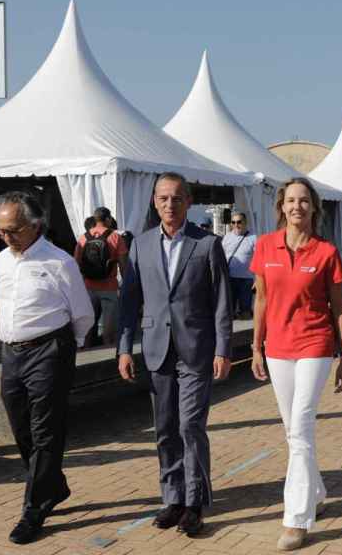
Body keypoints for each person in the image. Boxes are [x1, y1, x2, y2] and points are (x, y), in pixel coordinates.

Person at [117, 172, 232, 538]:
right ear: (154, 202)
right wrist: (124, 348)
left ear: (188, 202)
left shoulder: (208, 244)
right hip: (156, 349)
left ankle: (194, 503)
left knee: (190, 426)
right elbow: (129, 302)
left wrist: (223, 349)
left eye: (177, 198)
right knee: (165, 428)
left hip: (196, 349)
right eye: (163, 198)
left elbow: (222, 302)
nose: (170, 204)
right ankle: (173, 497)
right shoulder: (140, 245)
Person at [249, 178, 342, 550]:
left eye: (304, 200)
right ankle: (316, 493)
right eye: (290, 200)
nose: (297, 207)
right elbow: (261, 300)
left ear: (314, 207)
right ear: (282, 206)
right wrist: (256, 347)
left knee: (302, 426)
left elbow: (339, 307)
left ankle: (296, 519)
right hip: (277, 348)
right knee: (293, 430)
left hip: (315, 345)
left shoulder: (326, 252)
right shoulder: (265, 246)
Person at [0, 191, 94, 544]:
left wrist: (66, 349)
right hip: (12, 352)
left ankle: (34, 509)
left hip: (49, 350)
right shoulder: (1, 260)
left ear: (36, 225)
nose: (7, 237)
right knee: (21, 427)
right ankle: (54, 485)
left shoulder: (59, 262)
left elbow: (82, 313)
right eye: (0, 230)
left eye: (13, 230)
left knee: (46, 431)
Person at [74, 207, 128, 346]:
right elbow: (123, 265)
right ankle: (108, 352)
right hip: (109, 287)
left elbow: (76, 264)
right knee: (109, 329)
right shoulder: (115, 237)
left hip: (89, 287)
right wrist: (126, 285)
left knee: (88, 328)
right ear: (108, 219)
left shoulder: (83, 238)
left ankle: (87, 352)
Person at [222, 212, 257, 319]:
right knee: (229, 312)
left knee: (245, 312)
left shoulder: (253, 238)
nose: (236, 225)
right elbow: (220, 256)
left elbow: (258, 259)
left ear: (245, 222)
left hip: (246, 279)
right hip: (230, 278)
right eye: (233, 222)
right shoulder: (227, 237)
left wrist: (257, 279)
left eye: (239, 222)